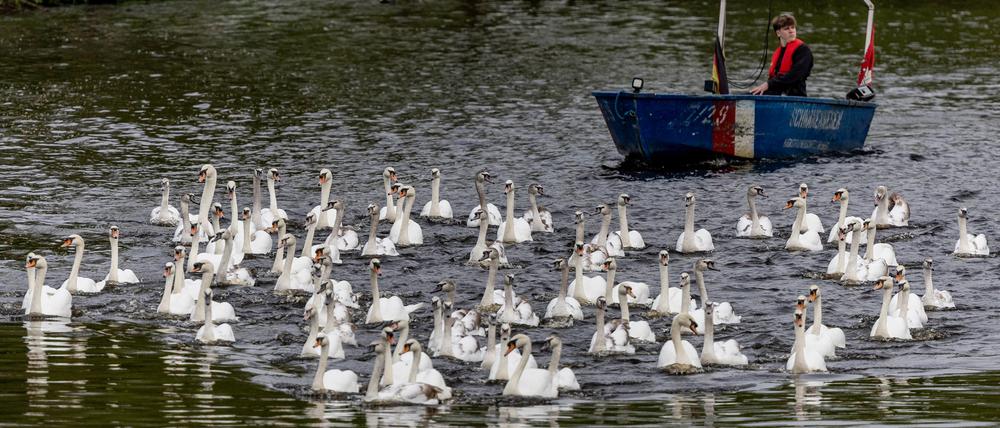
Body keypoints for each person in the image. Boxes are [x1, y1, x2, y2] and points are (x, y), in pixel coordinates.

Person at [750, 14, 813, 97]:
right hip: (775, 94)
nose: (791, 31)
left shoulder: (803, 50)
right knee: (750, 94)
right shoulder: (777, 53)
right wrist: (766, 85)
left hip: (794, 97)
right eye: (787, 28)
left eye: (793, 27)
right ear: (778, 33)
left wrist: (768, 84)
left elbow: (795, 76)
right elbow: (773, 79)